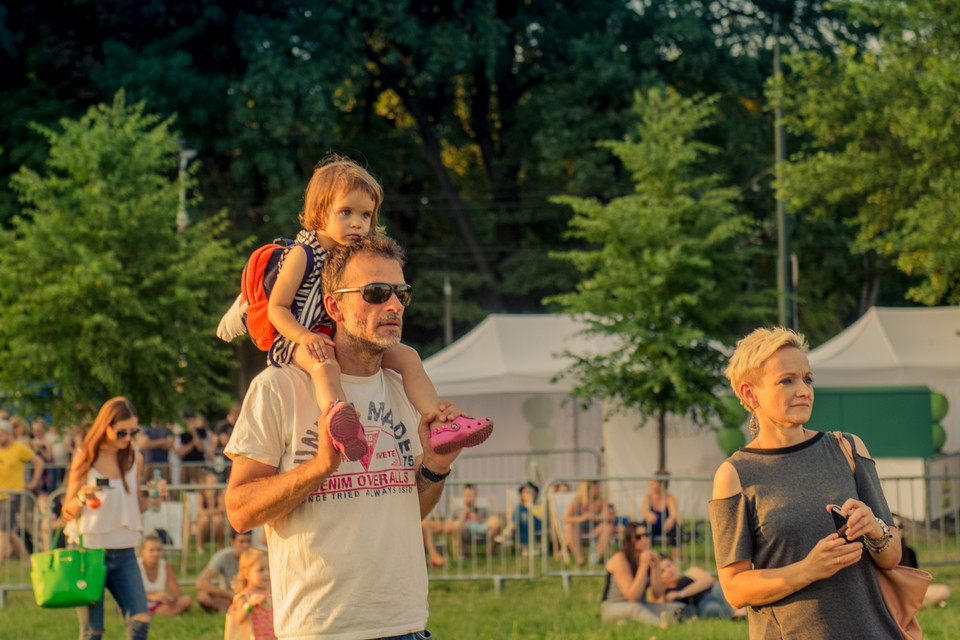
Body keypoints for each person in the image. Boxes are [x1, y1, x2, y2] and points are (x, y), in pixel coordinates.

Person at [224, 234, 468, 639]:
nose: (393, 305)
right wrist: (321, 466)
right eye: (374, 293)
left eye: (400, 294)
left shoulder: (404, 386)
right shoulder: (278, 387)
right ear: (334, 305)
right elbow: (239, 510)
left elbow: (405, 512)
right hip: (320, 629)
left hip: (405, 625)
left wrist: (436, 467)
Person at [218, 155, 491, 461]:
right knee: (324, 365)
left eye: (366, 215)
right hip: (293, 338)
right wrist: (303, 337)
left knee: (409, 357)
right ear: (321, 213)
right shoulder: (303, 254)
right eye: (346, 212)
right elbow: (277, 309)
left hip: (332, 333)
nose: (357, 223)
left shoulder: (351, 254)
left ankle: (439, 422)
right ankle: (340, 420)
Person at [710, 327, 903, 639]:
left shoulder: (848, 449)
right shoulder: (734, 474)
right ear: (749, 393)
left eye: (808, 379)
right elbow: (734, 587)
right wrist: (807, 570)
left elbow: (892, 557)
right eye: (787, 380)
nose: (803, 390)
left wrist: (875, 529)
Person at [61, 397, 151, 640]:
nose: (128, 438)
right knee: (93, 631)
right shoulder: (85, 457)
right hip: (89, 552)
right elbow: (66, 512)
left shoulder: (134, 458)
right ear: (105, 427)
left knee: (140, 621)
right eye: (121, 432)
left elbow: (135, 507)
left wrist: (155, 496)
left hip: (124, 550)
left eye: (133, 431)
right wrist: (81, 497)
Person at [601, 520, 683, 627]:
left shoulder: (650, 556)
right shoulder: (620, 558)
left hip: (641, 605)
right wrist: (643, 566)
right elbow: (632, 597)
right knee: (635, 609)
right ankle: (661, 625)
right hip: (613, 607)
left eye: (647, 535)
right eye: (639, 537)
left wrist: (656, 567)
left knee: (676, 607)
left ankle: (688, 618)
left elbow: (657, 594)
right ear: (630, 540)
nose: (644, 539)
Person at [0, 417, 45, 565]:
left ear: (9, 434)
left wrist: (33, 482)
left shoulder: (19, 449)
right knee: (10, 533)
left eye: (3, 433)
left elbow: (39, 462)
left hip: (12, 496)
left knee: (4, 532)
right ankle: (27, 561)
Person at [658, 557, 746, 619]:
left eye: (669, 565)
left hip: (713, 591)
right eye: (663, 571)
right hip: (701, 604)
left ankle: (739, 612)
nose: (668, 570)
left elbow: (708, 580)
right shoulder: (666, 593)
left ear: (674, 565)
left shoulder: (691, 572)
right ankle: (739, 614)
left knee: (719, 586)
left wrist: (681, 594)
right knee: (711, 609)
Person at [893, 513, 950, 608]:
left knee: (943, 590)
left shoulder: (909, 552)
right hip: (890, 593)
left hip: (909, 592)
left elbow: (916, 579)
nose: (898, 530)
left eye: (900, 526)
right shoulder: (879, 552)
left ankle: (911, 606)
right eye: (893, 527)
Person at [196, 529, 253, 613]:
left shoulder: (258, 556)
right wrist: (228, 594)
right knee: (203, 597)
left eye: (248, 541)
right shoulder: (223, 556)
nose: (245, 546)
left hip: (253, 596)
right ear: (233, 542)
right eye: (242, 542)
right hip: (230, 597)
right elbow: (201, 582)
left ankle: (240, 610)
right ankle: (234, 609)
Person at [138, 531, 193, 617]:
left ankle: (159, 613)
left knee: (187, 600)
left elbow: (176, 593)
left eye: (159, 550)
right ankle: (164, 613)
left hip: (160, 603)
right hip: (140, 602)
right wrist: (152, 597)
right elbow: (132, 594)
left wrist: (169, 597)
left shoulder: (165, 566)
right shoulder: (137, 566)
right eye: (151, 550)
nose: (155, 554)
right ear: (142, 552)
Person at [227, 548, 277, 640]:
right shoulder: (245, 596)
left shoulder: (271, 593)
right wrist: (250, 605)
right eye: (261, 570)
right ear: (247, 574)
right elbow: (238, 619)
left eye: (269, 569)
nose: (266, 573)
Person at [564, 480, 614, 565]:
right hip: (579, 530)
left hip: (595, 530)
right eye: (595, 488)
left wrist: (601, 517)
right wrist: (584, 517)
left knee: (608, 527)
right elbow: (566, 519)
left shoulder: (600, 501)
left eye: (599, 488)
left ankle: (596, 558)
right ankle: (580, 558)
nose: (598, 490)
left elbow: (610, 517)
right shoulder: (577, 501)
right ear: (587, 489)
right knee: (569, 527)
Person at [640, 469, 680, 559]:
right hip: (653, 525)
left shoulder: (669, 497)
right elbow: (644, 514)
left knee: (676, 530)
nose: (650, 483)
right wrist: (648, 515)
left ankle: (675, 559)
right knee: (646, 529)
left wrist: (670, 520)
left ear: (661, 484)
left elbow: (674, 514)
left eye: (653, 482)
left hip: (666, 526)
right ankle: (648, 556)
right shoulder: (647, 497)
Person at [498, 481, 543, 556]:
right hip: (521, 525)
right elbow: (510, 516)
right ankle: (525, 550)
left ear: (536, 493)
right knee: (522, 516)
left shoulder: (540, 505)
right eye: (526, 492)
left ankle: (507, 533)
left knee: (523, 514)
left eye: (531, 492)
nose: (529, 494)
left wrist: (529, 509)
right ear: (521, 495)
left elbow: (540, 517)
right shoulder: (518, 508)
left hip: (536, 525)